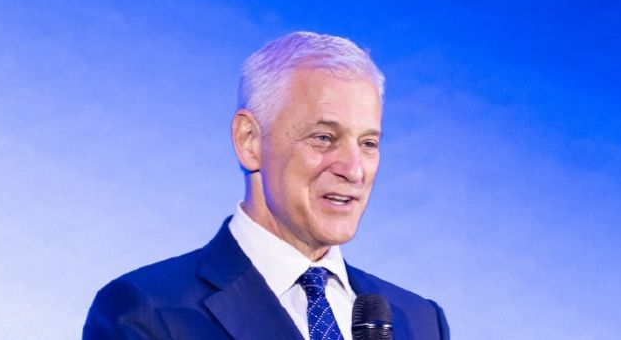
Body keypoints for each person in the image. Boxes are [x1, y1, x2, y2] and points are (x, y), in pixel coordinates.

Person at [83, 31, 449, 339]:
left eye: (368, 143)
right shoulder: (147, 311)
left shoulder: (420, 321)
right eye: (323, 138)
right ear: (249, 141)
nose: (354, 170)